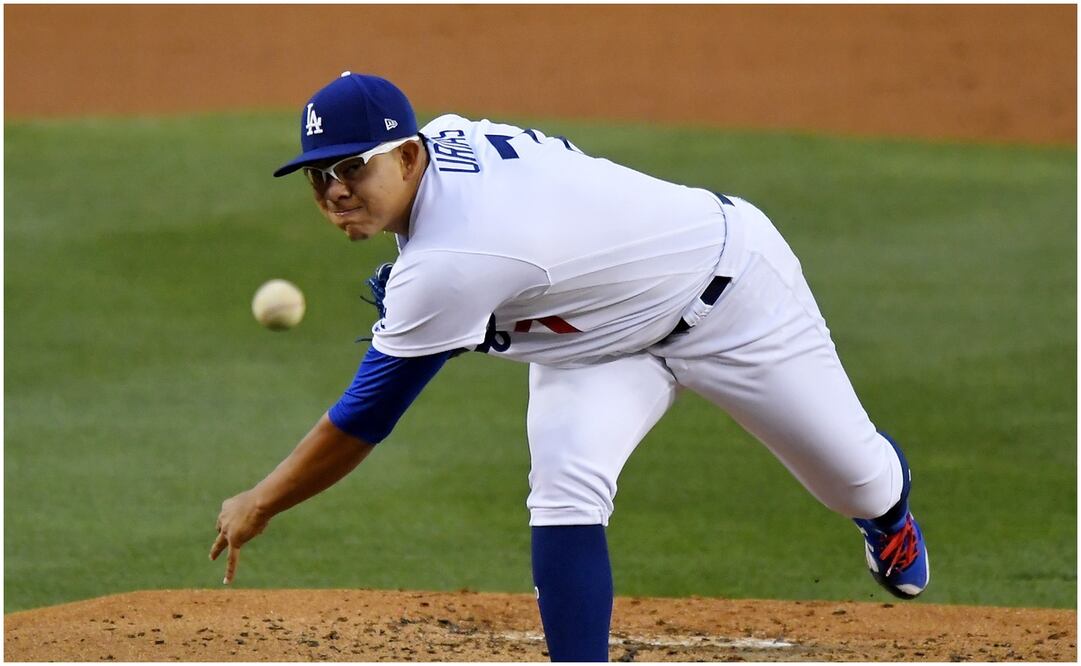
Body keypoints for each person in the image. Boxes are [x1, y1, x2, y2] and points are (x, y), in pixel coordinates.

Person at [210, 71, 929, 662]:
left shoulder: (454, 262)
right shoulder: (448, 153)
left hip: (734, 296)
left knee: (856, 481)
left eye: (350, 167)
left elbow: (367, 416)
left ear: (407, 156)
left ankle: (887, 515)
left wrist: (260, 499)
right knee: (563, 492)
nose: (334, 190)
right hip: (595, 342)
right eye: (316, 176)